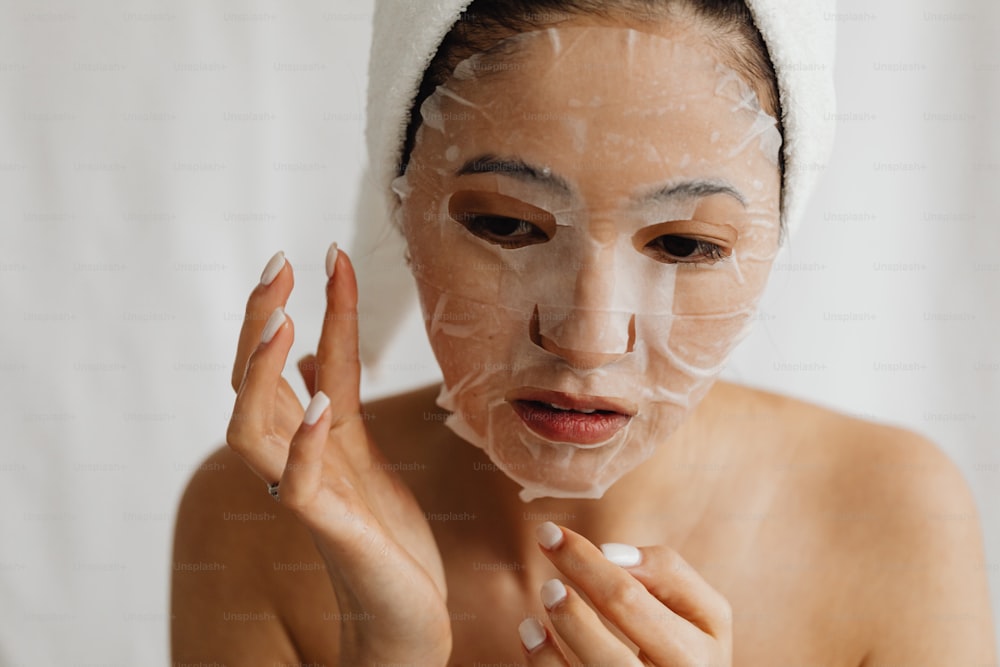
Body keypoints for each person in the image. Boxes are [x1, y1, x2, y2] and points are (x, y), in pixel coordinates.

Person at [171, 0, 997, 664]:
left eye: (685, 244)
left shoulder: (892, 522)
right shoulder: (266, 519)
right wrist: (388, 653)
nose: (588, 337)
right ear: (402, 206)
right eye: (505, 225)